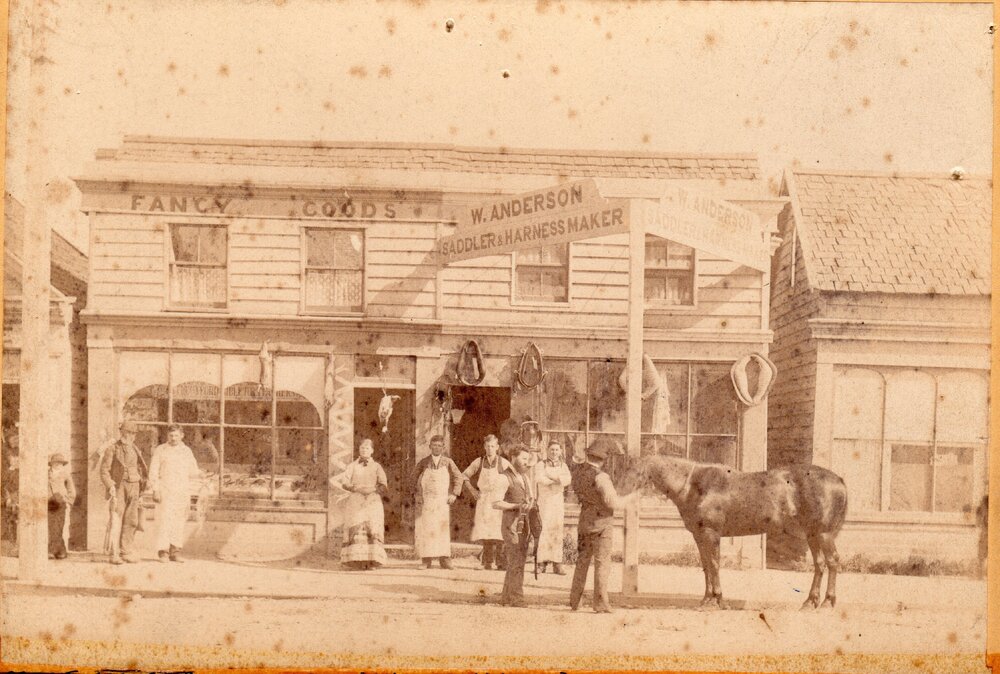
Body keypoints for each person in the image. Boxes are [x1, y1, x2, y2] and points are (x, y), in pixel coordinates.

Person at [569, 436, 634, 613]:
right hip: (602, 523)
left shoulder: (577, 473)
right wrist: (630, 498)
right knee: (602, 562)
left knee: (581, 561)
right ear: (603, 459)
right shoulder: (602, 477)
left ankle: (575, 600)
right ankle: (600, 603)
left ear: (589, 455)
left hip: (584, 521)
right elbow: (613, 503)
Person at [332, 438, 389, 570]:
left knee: (372, 528)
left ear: (372, 451)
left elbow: (383, 484)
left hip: (372, 500)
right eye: (362, 448)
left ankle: (372, 561)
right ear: (359, 450)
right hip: (356, 500)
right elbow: (345, 482)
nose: (364, 450)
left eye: (367, 448)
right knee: (356, 527)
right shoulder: (352, 466)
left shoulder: (377, 467)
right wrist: (355, 489)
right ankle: (355, 561)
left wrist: (373, 490)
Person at [493, 445, 539, 607]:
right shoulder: (503, 478)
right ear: (513, 457)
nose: (527, 462)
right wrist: (515, 506)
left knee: (518, 559)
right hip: (510, 524)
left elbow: (531, 497)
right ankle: (517, 598)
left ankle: (506, 597)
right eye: (523, 458)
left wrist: (530, 503)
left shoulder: (524, 477)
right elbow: (496, 503)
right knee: (516, 561)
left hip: (524, 524)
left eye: (527, 459)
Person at [148, 425, 202, 563]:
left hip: (181, 491)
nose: (173, 438)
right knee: (164, 521)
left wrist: (201, 474)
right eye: (171, 435)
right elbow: (153, 471)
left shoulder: (186, 451)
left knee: (178, 521)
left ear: (182, 435)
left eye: (176, 435)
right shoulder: (161, 450)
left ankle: (175, 551)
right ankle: (163, 552)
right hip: (165, 490)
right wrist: (156, 489)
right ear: (167, 436)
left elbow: (192, 471)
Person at [99, 420, 148, 564]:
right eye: (128, 432)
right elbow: (104, 471)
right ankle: (114, 554)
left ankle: (126, 551)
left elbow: (141, 469)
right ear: (122, 432)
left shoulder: (135, 449)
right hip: (119, 487)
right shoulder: (113, 448)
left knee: (131, 520)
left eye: (133, 433)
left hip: (135, 486)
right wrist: (110, 485)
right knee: (115, 519)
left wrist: (142, 488)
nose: (131, 436)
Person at [462, 434, 512, 570]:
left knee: (499, 531)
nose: (490, 449)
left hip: (498, 500)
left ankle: (501, 562)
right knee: (486, 531)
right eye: (488, 446)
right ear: (484, 447)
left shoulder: (504, 463)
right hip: (484, 500)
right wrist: (472, 491)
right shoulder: (478, 461)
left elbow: (513, 479)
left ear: (497, 447)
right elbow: (464, 476)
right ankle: (487, 561)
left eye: (493, 446)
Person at [413, 434, 463, 569]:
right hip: (428, 500)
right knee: (428, 528)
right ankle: (426, 560)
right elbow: (413, 478)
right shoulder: (423, 462)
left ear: (443, 447)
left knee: (442, 529)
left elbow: (459, 477)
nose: (436, 448)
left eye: (439, 446)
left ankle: (445, 559)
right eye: (434, 445)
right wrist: (417, 495)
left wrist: (454, 493)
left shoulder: (448, 462)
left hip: (442, 501)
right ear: (430, 446)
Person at [535, 439, 572, 575]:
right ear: (547, 451)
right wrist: (556, 480)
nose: (554, 452)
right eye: (552, 449)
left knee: (557, 530)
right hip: (545, 501)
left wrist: (554, 478)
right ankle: (541, 563)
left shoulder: (564, 465)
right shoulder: (541, 464)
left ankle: (557, 564)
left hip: (557, 501)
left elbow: (567, 480)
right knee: (544, 530)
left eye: (557, 450)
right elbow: (540, 479)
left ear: (560, 451)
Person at [47, 453, 76, 560]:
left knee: (59, 527)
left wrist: (68, 501)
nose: (58, 465)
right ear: (51, 464)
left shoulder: (65, 475)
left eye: (60, 463)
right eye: (56, 462)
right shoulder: (46, 474)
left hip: (60, 504)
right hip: (49, 503)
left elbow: (71, 490)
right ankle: (56, 551)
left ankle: (58, 551)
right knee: (51, 526)